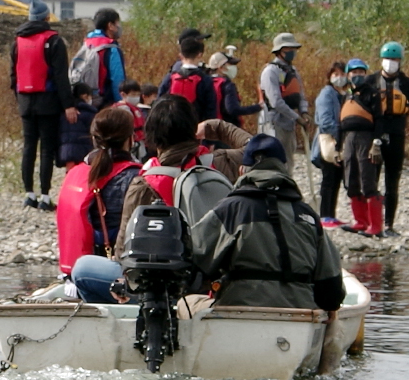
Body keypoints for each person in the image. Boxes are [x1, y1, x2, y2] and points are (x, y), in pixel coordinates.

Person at [188, 134, 346, 311]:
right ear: (284, 170)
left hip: (239, 314)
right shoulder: (308, 216)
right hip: (301, 317)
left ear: (242, 171)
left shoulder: (230, 210)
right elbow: (333, 293)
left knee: (185, 305)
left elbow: (191, 260)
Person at [117, 92, 235, 247]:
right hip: (218, 264)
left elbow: (124, 245)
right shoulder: (219, 162)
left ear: (152, 134)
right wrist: (218, 127)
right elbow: (262, 149)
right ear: (193, 128)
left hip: (170, 268)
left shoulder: (143, 185)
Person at [52, 103, 142, 302]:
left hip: (74, 276)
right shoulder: (135, 178)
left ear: (93, 139)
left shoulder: (77, 174)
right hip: (114, 276)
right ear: (131, 139)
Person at [11, 0, 71, 211]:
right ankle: (45, 197)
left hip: (26, 102)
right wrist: (68, 105)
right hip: (48, 102)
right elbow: (61, 77)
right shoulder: (54, 41)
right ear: (47, 18)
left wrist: (19, 100)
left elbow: (13, 76)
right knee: (47, 149)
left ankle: (29, 194)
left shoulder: (17, 41)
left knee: (28, 148)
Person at [373, 41, 409, 235]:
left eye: (394, 59)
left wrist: (403, 125)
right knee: (372, 179)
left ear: (400, 61)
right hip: (376, 133)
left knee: (392, 181)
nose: (390, 63)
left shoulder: (406, 83)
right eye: (387, 59)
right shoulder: (372, 80)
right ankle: (372, 221)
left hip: (397, 133)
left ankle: (388, 224)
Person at [336, 56, 382, 235]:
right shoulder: (346, 96)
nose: (358, 75)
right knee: (351, 180)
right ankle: (360, 222)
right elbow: (340, 124)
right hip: (348, 138)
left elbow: (379, 120)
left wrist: (376, 143)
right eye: (355, 72)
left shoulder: (372, 94)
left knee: (368, 179)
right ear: (348, 75)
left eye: (361, 72)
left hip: (366, 138)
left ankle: (376, 226)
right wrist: (337, 148)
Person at [310, 60, 347, 226]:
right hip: (328, 141)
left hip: (340, 142)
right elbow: (325, 121)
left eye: (342, 74)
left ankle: (331, 213)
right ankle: (324, 214)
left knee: (336, 178)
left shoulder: (343, 94)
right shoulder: (327, 94)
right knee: (328, 178)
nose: (339, 77)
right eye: (335, 74)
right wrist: (340, 133)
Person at [257, 33, 306, 150]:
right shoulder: (270, 71)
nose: (292, 51)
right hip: (272, 123)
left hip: (288, 124)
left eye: (293, 48)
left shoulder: (293, 71)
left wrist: (304, 112)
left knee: (288, 161)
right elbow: (275, 101)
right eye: (288, 48)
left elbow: (301, 95)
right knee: (274, 161)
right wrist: (296, 117)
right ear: (279, 50)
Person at [161, 30, 222, 123]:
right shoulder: (205, 79)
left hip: (172, 126)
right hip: (195, 128)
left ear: (181, 55)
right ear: (199, 54)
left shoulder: (170, 76)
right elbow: (211, 109)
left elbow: (159, 102)